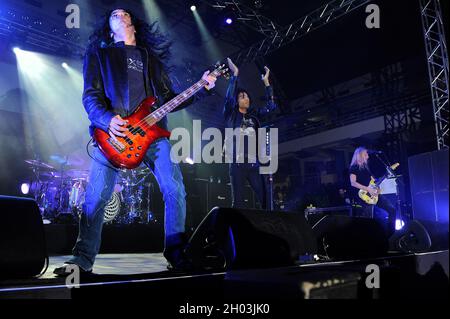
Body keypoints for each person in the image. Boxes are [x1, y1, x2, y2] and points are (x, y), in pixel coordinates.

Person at [54, 8, 216, 275]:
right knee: (95, 196)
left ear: (132, 24)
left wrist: (201, 87)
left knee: (175, 190)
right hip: (112, 135)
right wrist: (107, 120)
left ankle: (177, 254)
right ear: (109, 28)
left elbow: (168, 100)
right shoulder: (99, 56)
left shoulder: (151, 59)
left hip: (153, 135)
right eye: (113, 14)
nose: (118, 13)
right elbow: (90, 96)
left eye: (123, 12)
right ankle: (82, 260)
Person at [223, 58, 277, 210]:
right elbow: (228, 99)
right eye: (242, 96)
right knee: (238, 203)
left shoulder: (254, 116)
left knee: (265, 199)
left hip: (254, 164)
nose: (245, 98)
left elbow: (271, 107)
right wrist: (235, 74)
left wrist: (266, 82)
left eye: (246, 96)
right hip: (237, 165)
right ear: (237, 101)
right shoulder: (231, 115)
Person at [349, 147, 396, 236]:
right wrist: (368, 189)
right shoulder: (354, 167)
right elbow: (353, 183)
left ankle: (391, 234)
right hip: (363, 196)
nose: (367, 156)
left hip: (374, 194)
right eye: (365, 154)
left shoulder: (366, 168)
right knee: (368, 220)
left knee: (392, 209)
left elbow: (374, 182)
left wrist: (377, 189)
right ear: (360, 155)